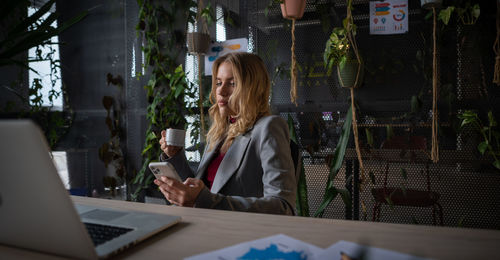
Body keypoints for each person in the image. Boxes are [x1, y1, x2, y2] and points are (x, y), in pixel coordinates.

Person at [155, 52, 296, 215]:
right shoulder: (220, 130)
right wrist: (175, 156)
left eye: (232, 83)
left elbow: (282, 206)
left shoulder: (269, 127)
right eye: (219, 83)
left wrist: (202, 200)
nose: (220, 91)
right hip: (203, 222)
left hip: (236, 231)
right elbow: (203, 190)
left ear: (253, 88)